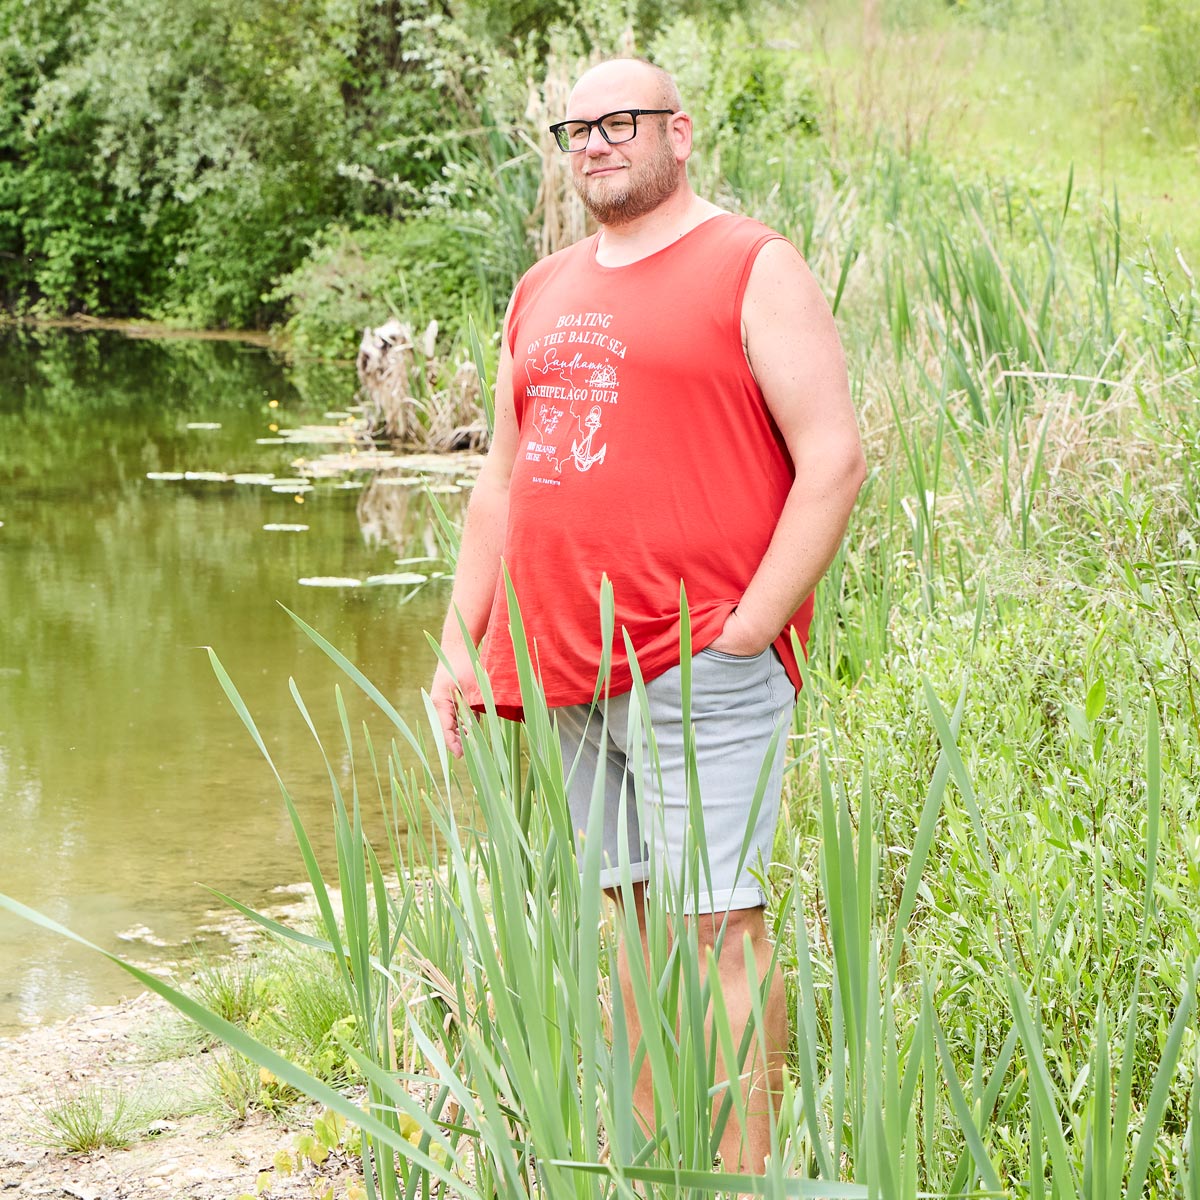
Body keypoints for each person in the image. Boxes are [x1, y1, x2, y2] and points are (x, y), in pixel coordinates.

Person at [430, 57, 865, 1173]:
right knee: (624, 923)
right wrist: (458, 647)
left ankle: (743, 1178)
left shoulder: (750, 265)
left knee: (718, 927)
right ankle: (656, 1159)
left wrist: (752, 627)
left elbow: (834, 460)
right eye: (575, 128)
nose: (595, 142)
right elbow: (502, 481)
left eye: (619, 121)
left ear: (678, 132)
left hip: (700, 660)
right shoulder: (542, 286)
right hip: (567, 668)